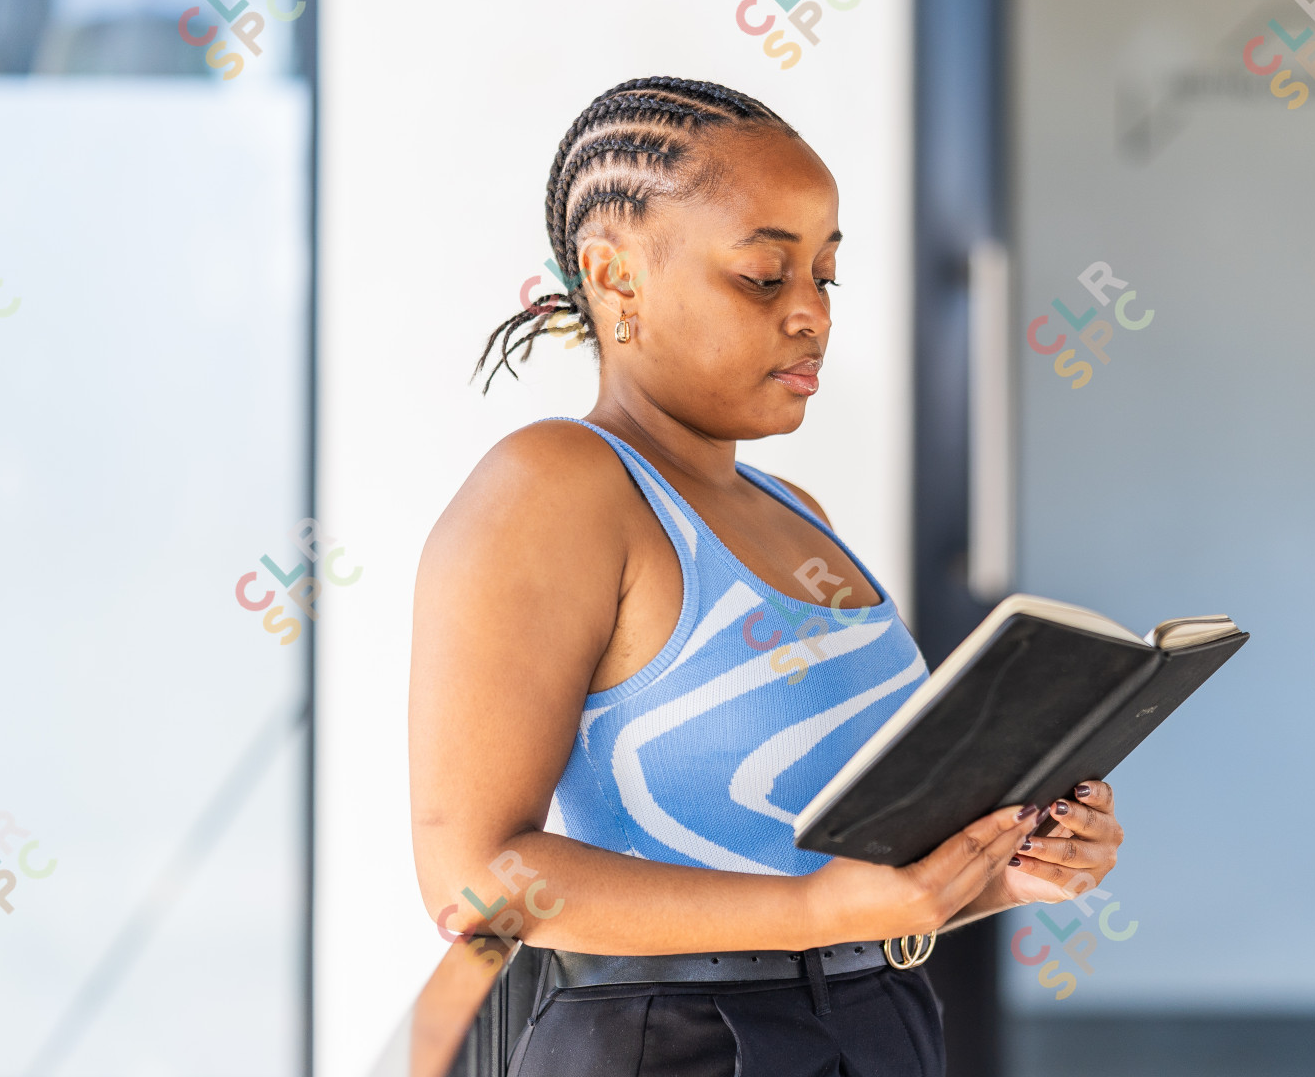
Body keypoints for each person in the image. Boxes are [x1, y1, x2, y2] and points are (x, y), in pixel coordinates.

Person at [409, 77, 1126, 1076]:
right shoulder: (556, 486)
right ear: (614, 275)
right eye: (763, 276)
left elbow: (823, 877)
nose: (809, 316)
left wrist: (998, 870)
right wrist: (807, 912)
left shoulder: (797, 513)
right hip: (673, 1045)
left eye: (825, 278)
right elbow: (477, 880)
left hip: (878, 1019)